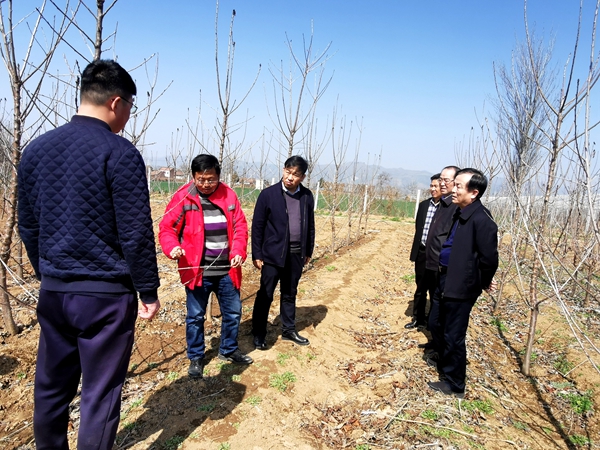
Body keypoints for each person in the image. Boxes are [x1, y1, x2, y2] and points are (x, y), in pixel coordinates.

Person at [18, 60, 161, 450]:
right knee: (100, 393)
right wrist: (148, 289)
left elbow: (28, 225)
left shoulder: (35, 150)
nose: (129, 114)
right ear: (116, 102)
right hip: (105, 297)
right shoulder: (120, 153)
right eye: (130, 105)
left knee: (50, 387)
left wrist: (48, 271)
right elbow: (134, 232)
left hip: (55, 291)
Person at [159, 154, 252, 378]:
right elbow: (167, 228)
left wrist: (239, 251)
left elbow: (240, 226)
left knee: (232, 313)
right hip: (197, 270)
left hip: (227, 270)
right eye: (201, 179)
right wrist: (172, 248)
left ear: (218, 176)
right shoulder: (184, 197)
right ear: (194, 177)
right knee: (195, 317)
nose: (206, 184)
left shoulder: (228, 195)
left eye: (210, 179)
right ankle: (196, 357)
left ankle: (228, 350)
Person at [427, 168, 498, 398]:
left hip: (461, 285)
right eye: (453, 184)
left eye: (458, 186)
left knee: (453, 334)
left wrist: (481, 282)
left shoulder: (482, 220)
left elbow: (489, 260)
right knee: (437, 323)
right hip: (444, 278)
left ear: (474, 192)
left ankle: (455, 384)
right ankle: (445, 364)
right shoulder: (460, 212)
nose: (452, 189)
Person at [251, 155, 315, 349]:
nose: (290, 177)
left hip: (296, 254)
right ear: (283, 170)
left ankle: (288, 330)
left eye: (295, 174)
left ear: (302, 177)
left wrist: (308, 250)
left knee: (289, 293)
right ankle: (259, 332)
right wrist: (257, 254)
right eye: (288, 172)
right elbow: (257, 226)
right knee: (266, 294)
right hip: (272, 255)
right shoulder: (268, 195)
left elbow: (310, 225)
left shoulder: (306, 196)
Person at [422, 166, 460, 359]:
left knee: (441, 315)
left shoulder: (455, 207)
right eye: (441, 180)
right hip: (432, 264)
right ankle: (436, 343)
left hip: (443, 268)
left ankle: (441, 350)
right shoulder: (443, 204)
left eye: (446, 180)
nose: (442, 183)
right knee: (435, 313)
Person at [406, 174, 442, 330]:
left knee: (435, 290)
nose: (433, 189)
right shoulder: (424, 205)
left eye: (436, 186)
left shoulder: (448, 208)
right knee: (420, 287)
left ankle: (432, 322)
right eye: (431, 185)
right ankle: (417, 318)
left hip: (437, 256)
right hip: (422, 253)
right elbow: (418, 229)